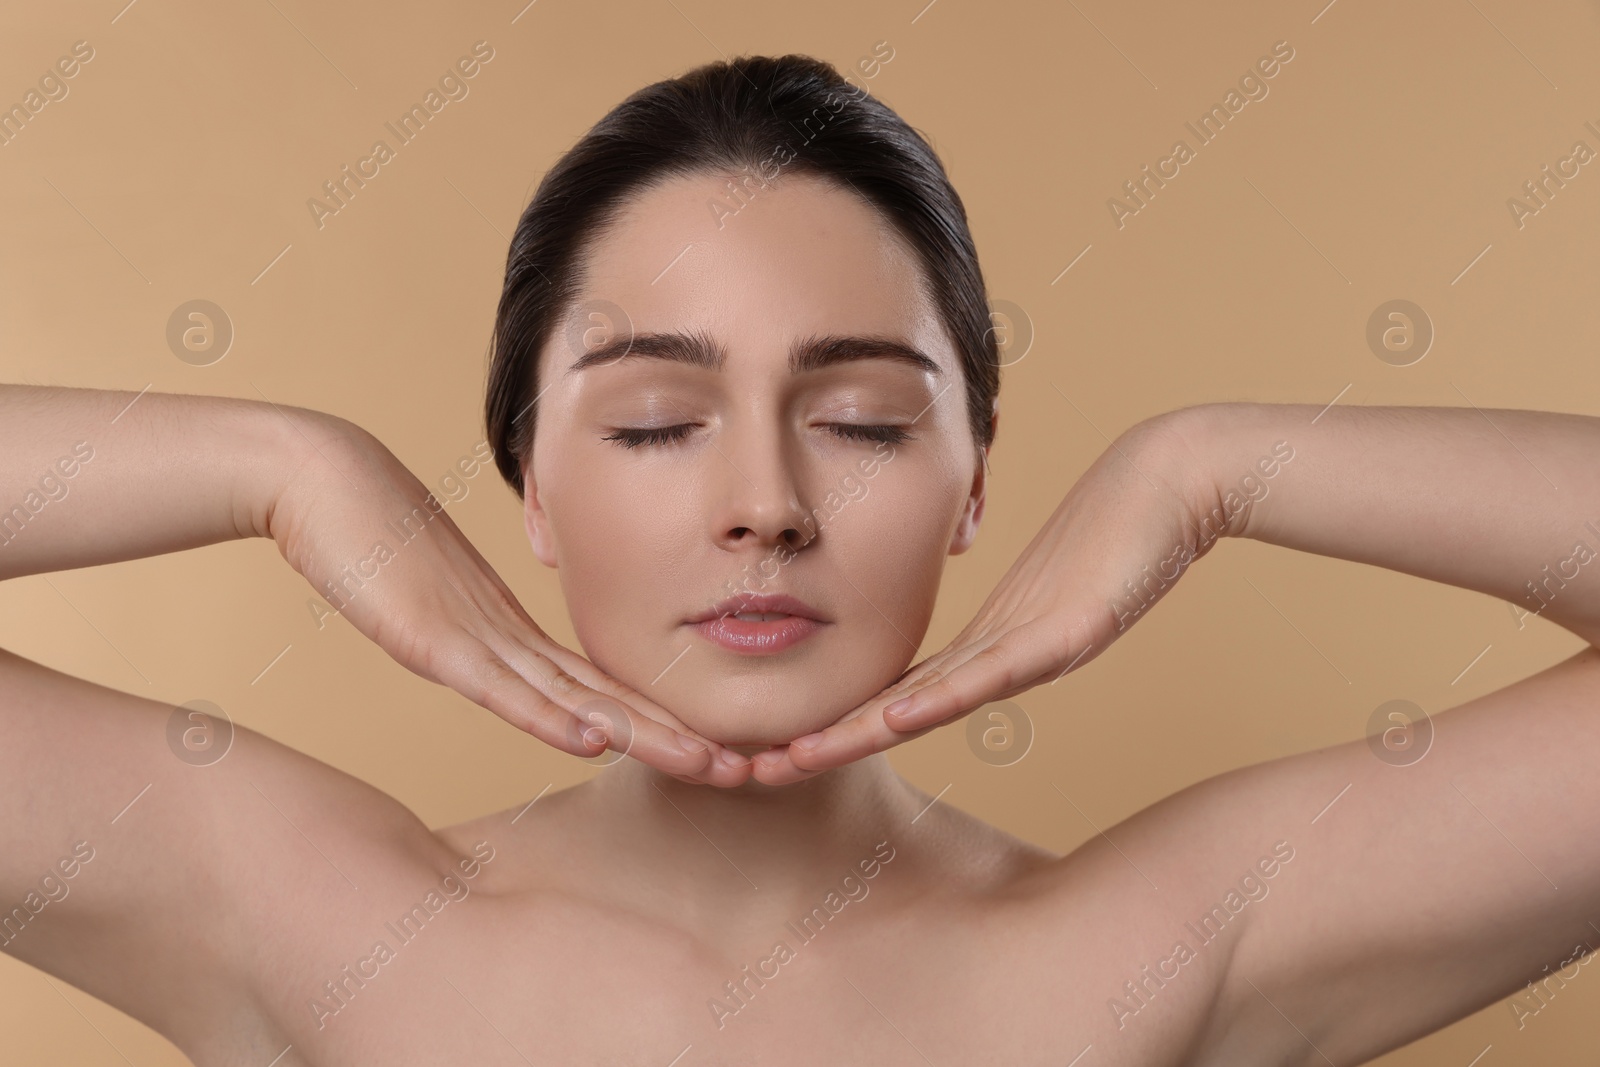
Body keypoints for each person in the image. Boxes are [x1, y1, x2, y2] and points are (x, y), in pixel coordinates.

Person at [3, 52, 1598, 1067]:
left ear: (976, 481)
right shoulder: (299, 909)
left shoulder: (1158, 945)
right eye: (648, 426)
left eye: (864, 421)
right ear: (528, 489)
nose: (762, 502)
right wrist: (278, 467)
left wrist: (1212, 468)